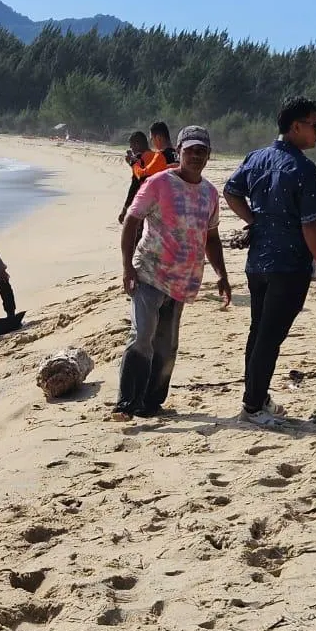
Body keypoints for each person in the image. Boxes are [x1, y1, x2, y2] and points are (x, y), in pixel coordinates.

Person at [224, 96, 316, 427]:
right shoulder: (302, 169)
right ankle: (254, 406)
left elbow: (231, 191)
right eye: (315, 125)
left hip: (258, 263)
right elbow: (310, 224)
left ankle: (258, 397)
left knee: (259, 332)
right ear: (296, 126)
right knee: (269, 338)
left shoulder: (256, 157)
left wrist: (253, 221)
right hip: (288, 265)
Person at [115, 125, 232, 418]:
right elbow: (132, 221)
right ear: (178, 152)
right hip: (149, 273)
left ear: (208, 156)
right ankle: (127, 403)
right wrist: (127, 267)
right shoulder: (158, 183)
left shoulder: (209, 193)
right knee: (142, 336)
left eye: (201, 151)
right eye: (189, 150)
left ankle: (151, 404)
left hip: (182, 281)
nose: (195, 156)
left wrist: (222, 275)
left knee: (166, 347)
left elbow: (212, 237)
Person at [119, 131, 154, 224]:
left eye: (132, 145)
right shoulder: (156, 157)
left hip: (144, 204)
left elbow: (134, 187)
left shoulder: (139, 160)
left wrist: (124, 210)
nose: (131, 148)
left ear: (137, 144)